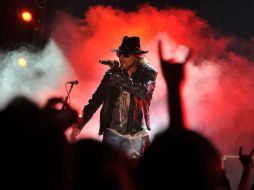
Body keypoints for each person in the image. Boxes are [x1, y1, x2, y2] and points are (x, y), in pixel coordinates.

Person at [70, 36, 157, 159]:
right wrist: (80, 124)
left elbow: (140, 92)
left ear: (137, 56)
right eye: (119, 53)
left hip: (135, 137)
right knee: (106, 169)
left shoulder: (148, 73)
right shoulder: (112, 74)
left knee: (129, 172)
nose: (121, 58)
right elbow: (96, 100)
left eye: (125, 54)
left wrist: (117, 74)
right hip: (112, 133)